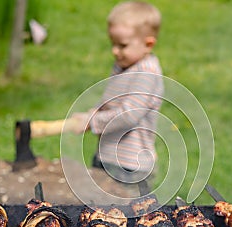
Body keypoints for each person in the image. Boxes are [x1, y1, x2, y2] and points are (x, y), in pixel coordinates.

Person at [70, 1, 164, 195]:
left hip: (130, 167)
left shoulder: (147, 74)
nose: (115, 51)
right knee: (99, 212)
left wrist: (93, 122)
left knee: (127, 216)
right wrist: (93, 112)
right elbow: (111, 100)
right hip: (106, 157)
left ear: (148, 44)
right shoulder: (124, 65)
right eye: (113, 43)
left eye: (122, 45)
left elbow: (128, 115)